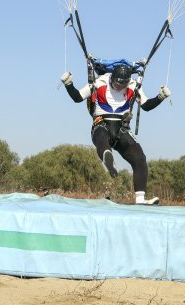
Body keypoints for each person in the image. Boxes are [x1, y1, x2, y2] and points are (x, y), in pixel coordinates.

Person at [60, 63, 170, 205]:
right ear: (112, 78)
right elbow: (77, 97)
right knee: (102, 140)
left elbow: (146, 106)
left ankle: (140, 199)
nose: (120, 87)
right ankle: (107, 156)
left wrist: (160, 97)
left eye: (123, 85)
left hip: (122, 128)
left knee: (140, 158)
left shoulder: (133, 85)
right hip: (101, 123)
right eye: (118, 84)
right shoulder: (99, 82)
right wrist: (68, 84)